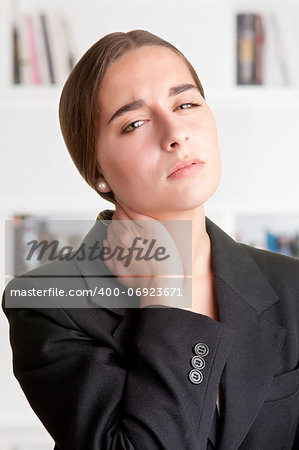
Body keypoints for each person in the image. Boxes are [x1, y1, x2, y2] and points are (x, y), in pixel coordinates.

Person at [2, 30, 299, 450]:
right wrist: (166, 298)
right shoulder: (49, 303)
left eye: (186, 103)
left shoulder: (291, 287)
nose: (175, 133)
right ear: (97, 170)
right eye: (135, 123)